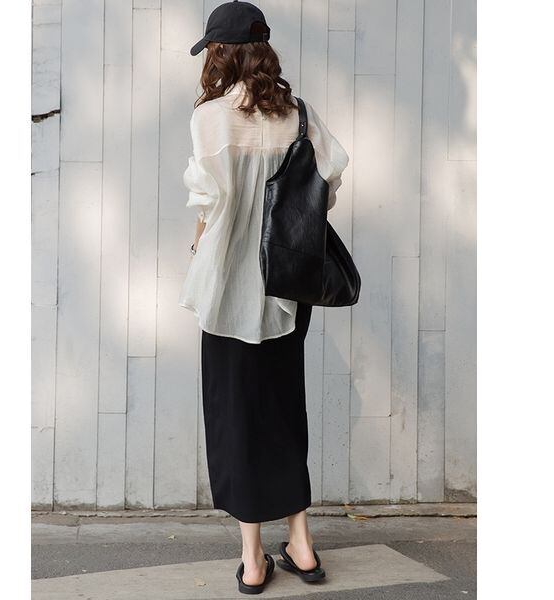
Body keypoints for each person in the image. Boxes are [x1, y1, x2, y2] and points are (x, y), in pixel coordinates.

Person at [178, 1, 349, 594]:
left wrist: (202, 241)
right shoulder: (298, 115)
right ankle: (301, 544)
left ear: (222, 53)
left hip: (227, 289)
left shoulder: (209, 118)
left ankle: (253, 560)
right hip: (286, 288)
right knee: (283, 410)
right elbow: (327, 182)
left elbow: (207, 204)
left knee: (235, 417)